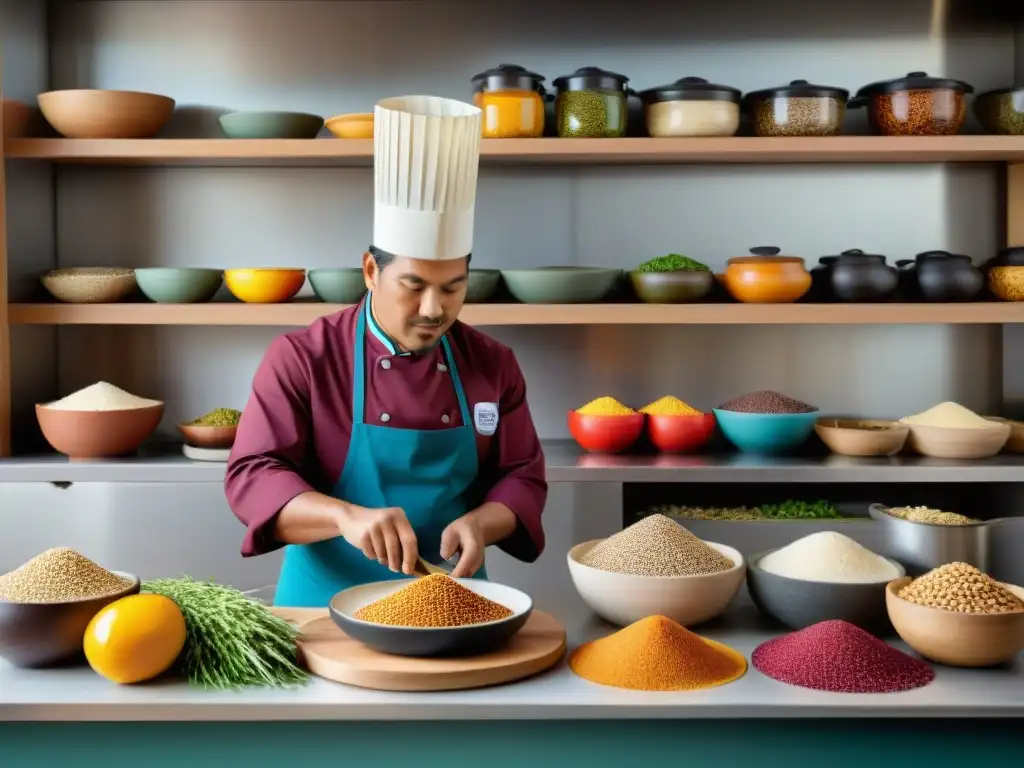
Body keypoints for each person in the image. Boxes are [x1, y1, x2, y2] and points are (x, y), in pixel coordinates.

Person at [224, 95, 547, 607]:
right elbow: (254, 472)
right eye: (413, 286)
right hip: (322, 607)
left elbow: (521, 474)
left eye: (453, 287)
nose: (434, 309)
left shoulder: (493, 362)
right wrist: (343, 516)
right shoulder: (304, 357)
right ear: (371, 272)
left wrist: (483, 523)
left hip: (453, 601)